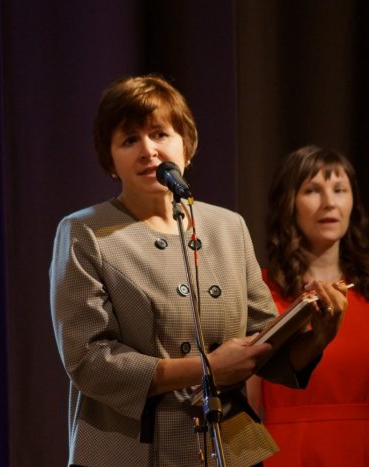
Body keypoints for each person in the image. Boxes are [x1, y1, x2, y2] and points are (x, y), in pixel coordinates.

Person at [49, 75, 350, 467]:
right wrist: (207, 369)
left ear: (186, 146)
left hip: (227, 448)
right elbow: (89, 361)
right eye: (130, 140)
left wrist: (319, 336)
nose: (148, 150)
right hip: (132, 452)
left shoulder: (228, 227)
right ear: (111, 160)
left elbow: (264, 345)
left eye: (160, 134)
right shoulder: (84, 231)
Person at [247, 145, 369, 466]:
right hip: (289, 453)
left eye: (339, 190)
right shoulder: (260, 291)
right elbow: (247, 406)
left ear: (353, 202)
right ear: (289, 203)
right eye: (312, 190)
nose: (329, 202)